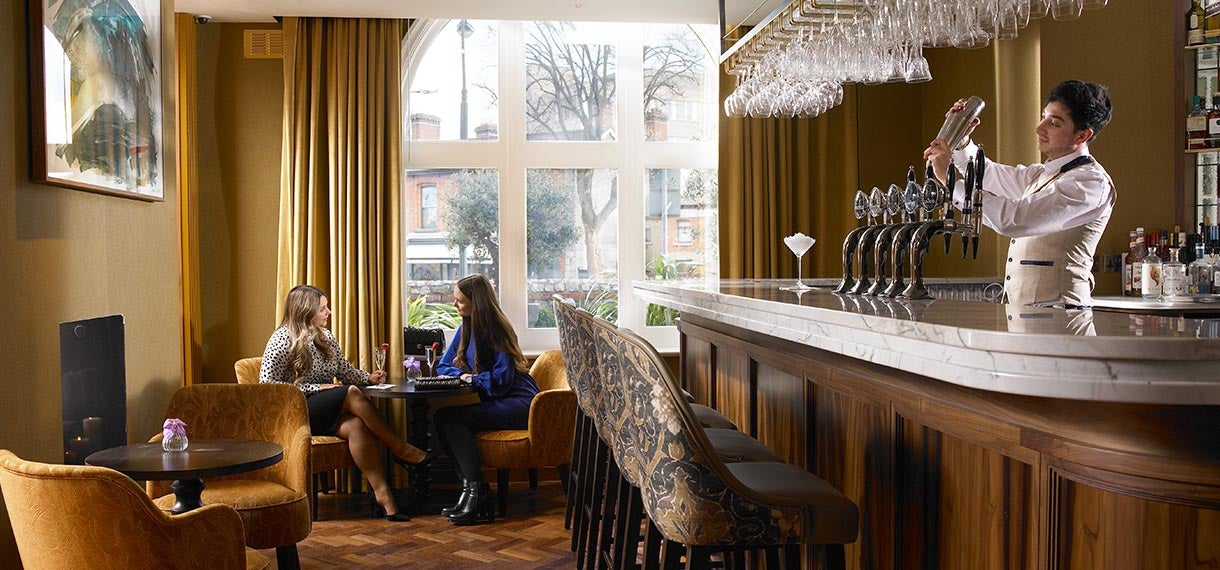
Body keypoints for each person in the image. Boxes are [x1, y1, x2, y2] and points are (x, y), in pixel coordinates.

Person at [923, 80, 1115, 307]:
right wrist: (962, 142)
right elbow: (991, 175)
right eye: (1044, 116)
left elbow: (1014, 219)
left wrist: (949, 179)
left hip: (1062, 317)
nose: (1040, 128)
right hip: (1025, 314)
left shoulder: (1089, 183)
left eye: (1053, 123)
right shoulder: (1043, 174)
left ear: (1082, 136)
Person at [260, 284, 431, 522]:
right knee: (350, 393)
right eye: (323, 308)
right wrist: (314, 388)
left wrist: (368, 377)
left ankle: (384, 496)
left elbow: (344, 371)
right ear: (305, 311)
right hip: (297, 412)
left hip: (325, 408)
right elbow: (267, 387)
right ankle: (399, 448)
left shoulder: (326, 337)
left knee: (355, 426)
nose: (328, 312)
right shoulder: (280, 340)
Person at [433, 274, 539, 525]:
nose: (455, 305)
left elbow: (502, 379)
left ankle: (476, 493)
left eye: (459, 300)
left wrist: (472, 380)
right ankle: (472, 490)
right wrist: (468, 376)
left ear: (475, 301)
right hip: (497, 400)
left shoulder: (497, 330)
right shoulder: (466, 327)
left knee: (453, 421)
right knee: (442, 418)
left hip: (519, 402)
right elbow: (443, 366)